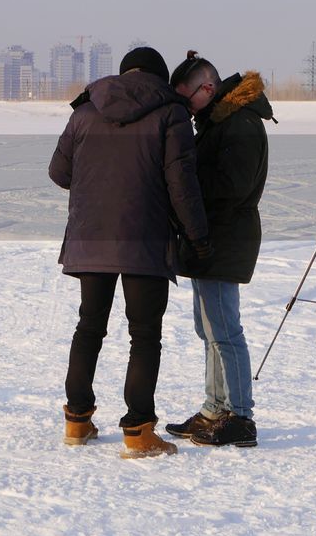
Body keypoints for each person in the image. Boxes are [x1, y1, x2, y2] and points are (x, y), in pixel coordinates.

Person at [49, 46, 210, 458]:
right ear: (158, 78)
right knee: (144, 335)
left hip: (91, 240)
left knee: (89, 327)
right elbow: (182, 185)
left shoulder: (85, 111)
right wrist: (198, 237)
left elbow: (59, 172)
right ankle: (138, 431)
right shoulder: (170, 113)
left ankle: (77, 421)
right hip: (145, 240)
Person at [166, 51, 274, 448]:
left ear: (207, 89)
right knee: (208, 327)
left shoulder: (240, 124)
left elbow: (232, 187)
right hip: (210, 236)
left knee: (225, 329)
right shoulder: (217, 121)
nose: (184, 106)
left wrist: (185, 193)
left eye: (186, 98)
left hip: (224, 237)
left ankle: (241, 416)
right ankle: (215, 409)